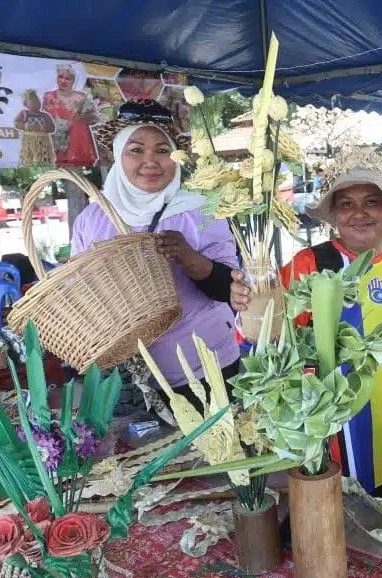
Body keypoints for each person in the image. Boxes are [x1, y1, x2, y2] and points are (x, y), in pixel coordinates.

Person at [281, 167, 382, 510]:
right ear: (335, 216)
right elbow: (275, 342)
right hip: (334, 432)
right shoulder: (310, 264)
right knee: (337, 525)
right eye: (346, 204)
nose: (359, 213)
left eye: (372, 202)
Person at [72, 99, 250, 399]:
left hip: (207, 369)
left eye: (162, 150)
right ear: (118, 155)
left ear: (175, 157)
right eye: (136, 150)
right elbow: (80, 292)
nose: (150, 161)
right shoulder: (92, 219)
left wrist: (186, 255)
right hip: (127, 380)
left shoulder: (200, 208)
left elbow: (227, 289)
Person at [43, 63, 100, 167]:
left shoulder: (81, 96)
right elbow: (45, 120)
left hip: (80, 140)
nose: (63, 81)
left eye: (68, 78)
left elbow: (95, 119)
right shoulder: (49, 96)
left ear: (73, 81)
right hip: (58, 141)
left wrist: (81, 116)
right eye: (60, 77)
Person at [14, 88, 56, 167]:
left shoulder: (45, 115)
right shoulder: (24, 113)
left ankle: (44, 165)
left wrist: (45, 128)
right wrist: (26, 126)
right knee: (30, 159)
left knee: (43, 158)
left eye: (37, 101)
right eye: (33, 102)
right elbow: (16, 123)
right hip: (29, 142)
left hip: (43, 143)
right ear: (26, 104)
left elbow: (52, 128)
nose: (36, 103)